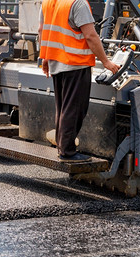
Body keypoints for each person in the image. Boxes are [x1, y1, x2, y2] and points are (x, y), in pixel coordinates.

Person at [38, 0, 120, 163]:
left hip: (56, 62)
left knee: (62, 108)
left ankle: (62, 147)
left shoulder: (48, 2)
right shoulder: (78, 3)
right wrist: (106, 62)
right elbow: (90, 35)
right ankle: (67, 152)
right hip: (75, 63)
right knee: (74, 109)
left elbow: (42, 30)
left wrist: (45, 57)